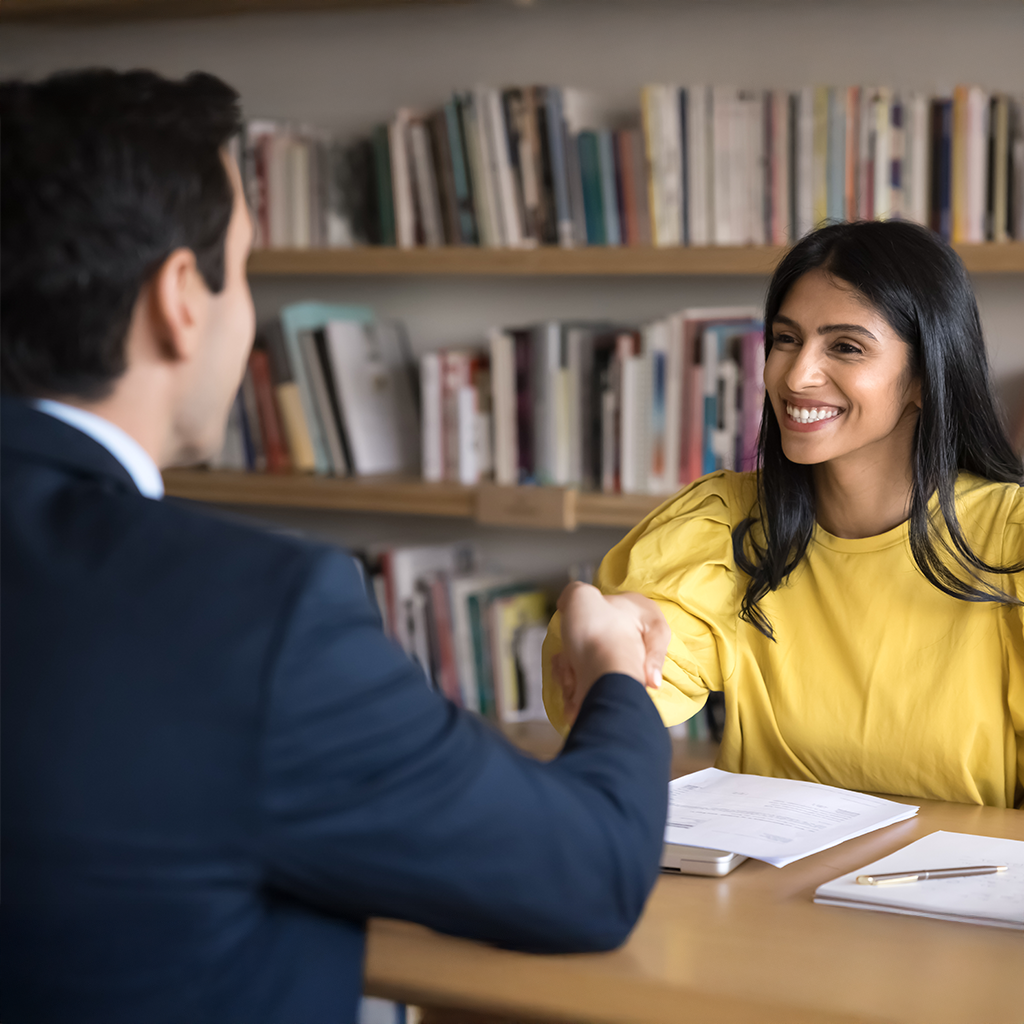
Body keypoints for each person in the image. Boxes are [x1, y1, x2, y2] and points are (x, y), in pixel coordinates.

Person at [0, 69, 675, 1024]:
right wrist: (613, 673)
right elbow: (590, 874)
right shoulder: (249, 617)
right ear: (181, 299)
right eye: (247, 270)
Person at [545, 219, 1024, 810]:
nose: (796, 377)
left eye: (845, 346)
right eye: (786, 339)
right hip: (767, 893)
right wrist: (615, 634)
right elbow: (627, 697)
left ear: (925, 376)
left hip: (962, 890)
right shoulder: (723, 525)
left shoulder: (1012, 540)